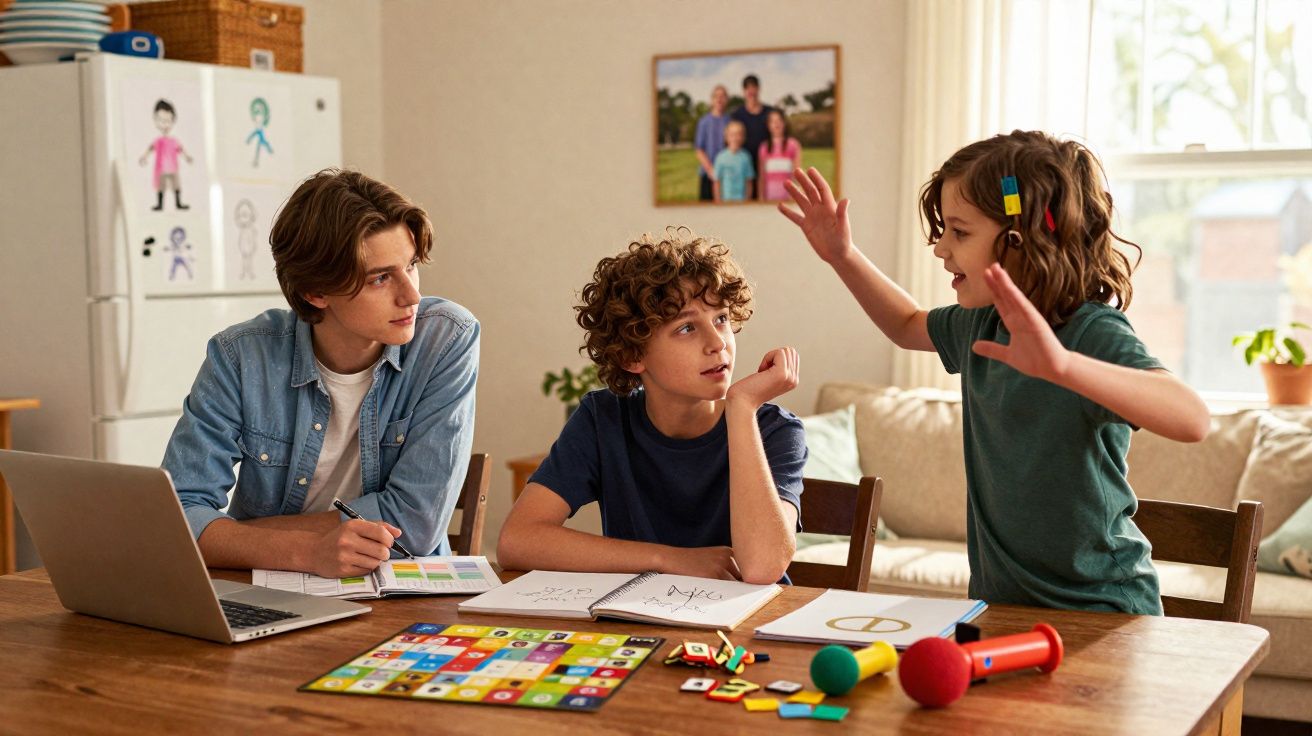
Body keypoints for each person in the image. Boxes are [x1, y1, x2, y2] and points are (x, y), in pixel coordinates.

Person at [777, 130, 1210, 614]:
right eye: (944, 230)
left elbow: (1192, 419)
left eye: (960, 232)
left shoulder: (1088, 331)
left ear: (1023, 238)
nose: (941, 248)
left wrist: (1064, 366)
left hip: (1101, 611)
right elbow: (904, 324)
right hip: (1001, 606)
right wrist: (843, 255)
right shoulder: (981, 324)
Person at [162, 169, 479, 579]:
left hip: (400, 592)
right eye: (381, 278)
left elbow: (413, 526)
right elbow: (179, 515)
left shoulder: (446, 338)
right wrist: (307, 551)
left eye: (412, 265)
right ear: (315, 292)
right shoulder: (240, 356)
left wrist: (237, 536)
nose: (412, 295)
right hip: (269, 587)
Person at [496, 228, 806, 584]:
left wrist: (741, 406)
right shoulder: (603, 419)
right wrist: (668, 559)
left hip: (744, 630)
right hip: (636, 623)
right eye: (687, 328)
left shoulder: (775, 429)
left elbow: (763, 567)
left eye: (721, 319)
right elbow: (516, 540)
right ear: (632, 355)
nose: (718, 342)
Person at [139, 99, 193, 211]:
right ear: (155, 120)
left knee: (176, 186)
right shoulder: (158, 140)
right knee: (161, 187)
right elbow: (151, 148)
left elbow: (181, 149)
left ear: (173, 121)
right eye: (162, 121)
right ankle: (160, 204)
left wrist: (187, 157)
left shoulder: (174, 140)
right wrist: (144, 157)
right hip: (162, 169)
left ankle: (178, 203)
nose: (165, 124)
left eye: (168, 121)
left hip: (173, 168)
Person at [730, 74, 776, 200]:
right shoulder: (736, 114)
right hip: (743, 167)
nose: (751, 91)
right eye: (747, 88)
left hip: (766, 167)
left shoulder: (769, 112)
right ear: (743, 91)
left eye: (753, 87)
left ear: (758, 89)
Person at [694, 85, 730, 202]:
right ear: (712, 99)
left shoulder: (730, 121)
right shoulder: (704, 122)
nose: (719, 99)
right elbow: (699, 150)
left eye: (722, 96)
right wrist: (711, 171)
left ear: (727, 100)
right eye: (716, 96)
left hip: (726, 175)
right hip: (707, 175)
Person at [758, 109, 802, 202]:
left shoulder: (793, 145)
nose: (776, 124)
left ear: (784, 123)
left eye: (779, 120)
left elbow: (797, 175)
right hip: (769, 197)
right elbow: (762, 177)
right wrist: (761, 198)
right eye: (773, 121)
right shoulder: (764, 147)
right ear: (768, 125)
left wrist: (795, 196)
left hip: (788, 197)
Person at [713, 121, 754, 202]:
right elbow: (717, 182)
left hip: (742, 201)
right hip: (725, 201)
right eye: (732, 135)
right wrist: (717, 200)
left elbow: (749, 182)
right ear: (726, 137)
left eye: (738, 134)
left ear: (743, 137)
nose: (735, 138)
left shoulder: (746, 157)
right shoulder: (720, 157)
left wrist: (748, 200)